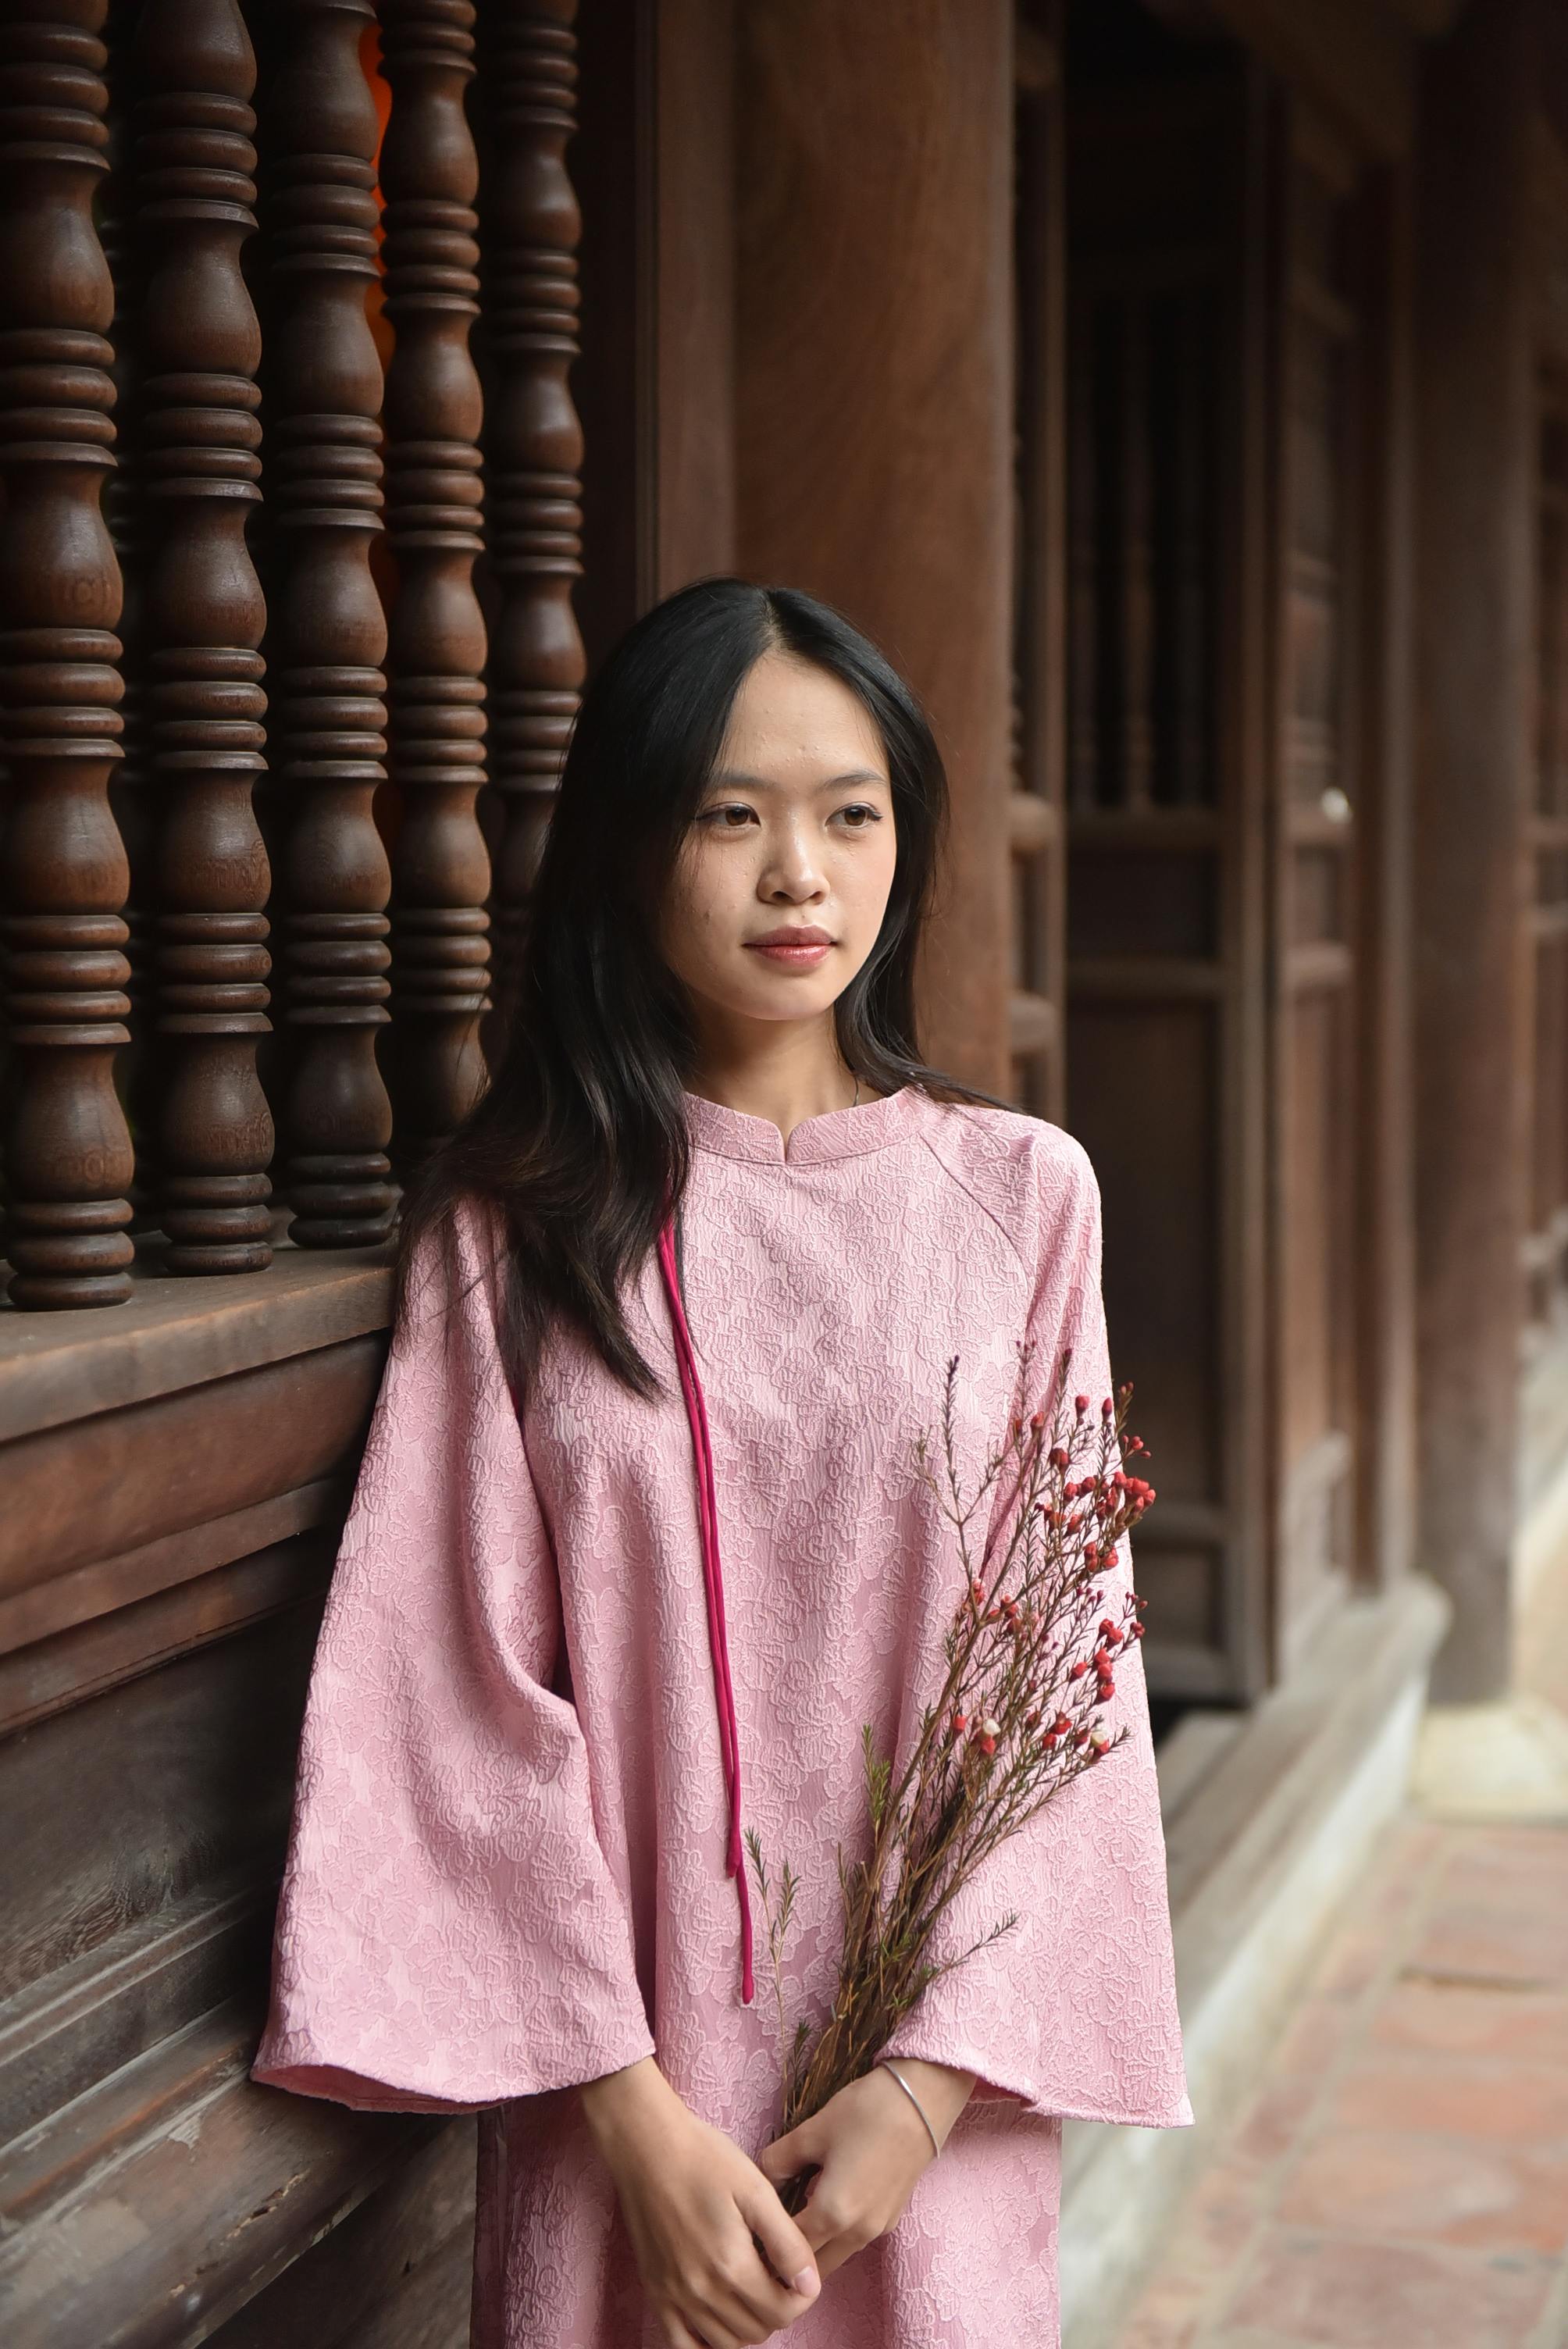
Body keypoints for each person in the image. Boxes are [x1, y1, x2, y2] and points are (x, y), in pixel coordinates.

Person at [251, 577, 1193, 2348]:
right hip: (625, 2129)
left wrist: (921, 2095)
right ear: (627, 844)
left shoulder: (1016, 1203)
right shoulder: (511, 1232)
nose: (798, 876)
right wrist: (627, 2117)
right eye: (728, 815)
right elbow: (446, 1686)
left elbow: (1066, 1674)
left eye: (850, 815)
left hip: (933, 2109)